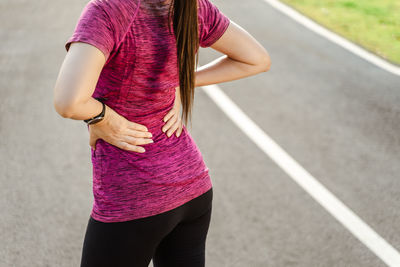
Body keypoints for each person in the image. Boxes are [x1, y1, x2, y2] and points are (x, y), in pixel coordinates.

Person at [53, 0, 270, 266]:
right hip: (193, 187)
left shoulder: (108, 9)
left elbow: (69, 101)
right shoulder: (193, 6)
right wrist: (178, 81)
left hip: (134, 194)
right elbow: (256, 59)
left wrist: (104, 118)